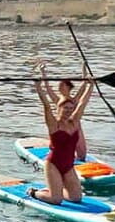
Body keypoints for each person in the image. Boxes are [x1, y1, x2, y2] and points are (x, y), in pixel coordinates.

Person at [28, 62, 94, 204]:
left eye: (71, 109)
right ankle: (35, 192)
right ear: (59, 109)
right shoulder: (54, 124)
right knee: (56, 200)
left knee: (76, 198)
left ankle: (54, 189)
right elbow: (46, 104)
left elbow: (82, 103)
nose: (68, 111)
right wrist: (38, 87)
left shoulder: (75, 122)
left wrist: (91, 85)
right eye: (65, 109)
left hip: (68, 165)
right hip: (53, 164)